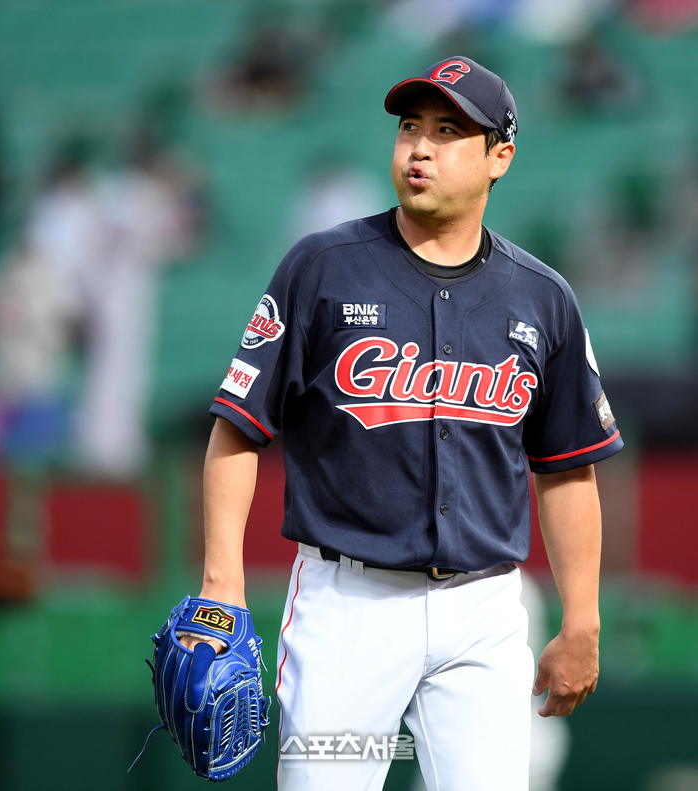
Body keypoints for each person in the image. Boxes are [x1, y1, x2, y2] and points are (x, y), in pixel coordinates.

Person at [182, 56, 623, 791]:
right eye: (410, 127)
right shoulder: (322, 267)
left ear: (500, 157)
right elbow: (237, 428)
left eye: (449, 131)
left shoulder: (543, 298)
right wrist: (221, 585)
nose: (420, 147)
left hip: (484, 608)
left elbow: (568, 468)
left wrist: (583, 619)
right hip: (347, 606)